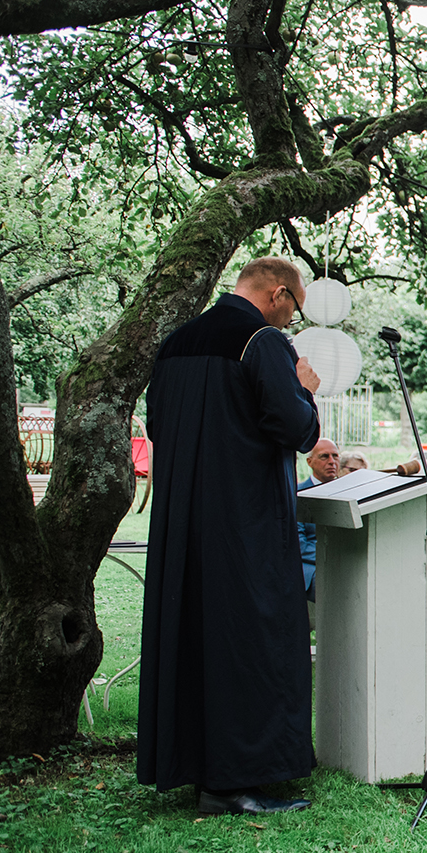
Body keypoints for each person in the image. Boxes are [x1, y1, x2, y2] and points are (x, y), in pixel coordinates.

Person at [138, 256, 321, 816]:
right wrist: (306, 391)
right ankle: (236, 780)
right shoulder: (262, 341)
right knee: (247, 639)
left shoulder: (174, 344)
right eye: (295, 309)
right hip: (244, 522)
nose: (292, 321)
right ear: (278, 295)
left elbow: (156, 426)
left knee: (193, 634)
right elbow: (296, 429)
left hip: (181, 524)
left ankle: (193, 765)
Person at [295, 437, 342, 598]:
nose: (331, 462)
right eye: (324, 456)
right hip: (309, 563)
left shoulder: (348, 492)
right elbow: (299, 546)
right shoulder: (298, 495)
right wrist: (334, 559)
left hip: (344, 559)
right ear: (309, 462)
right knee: (333, 583)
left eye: (335, 456)